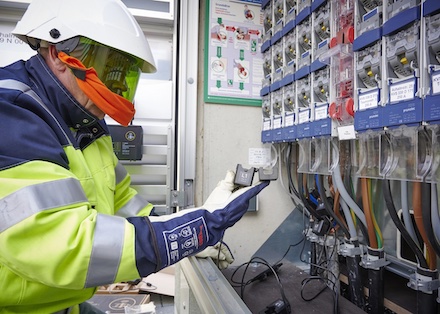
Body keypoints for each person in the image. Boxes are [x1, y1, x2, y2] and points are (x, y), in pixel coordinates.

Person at [0, 0, 269, 313]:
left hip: (63, 303)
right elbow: (60, 247)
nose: (115, 88)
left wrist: (188, 226)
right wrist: (196, 230)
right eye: (109, 68)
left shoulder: (86, 124)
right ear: (59, 54)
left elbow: (124, 203)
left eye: (123, 75)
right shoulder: (13, 114)